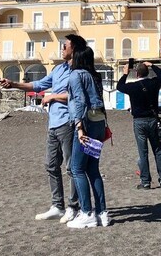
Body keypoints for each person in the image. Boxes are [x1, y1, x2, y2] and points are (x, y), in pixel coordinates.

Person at [0, 34, 85, 223]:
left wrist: (53, 97)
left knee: (72, 168)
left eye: (65, 46)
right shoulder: (58, 69)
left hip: (69, 123)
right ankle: (57, 206)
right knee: (51, 165)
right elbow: (37, 85)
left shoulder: (80, 72)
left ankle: (73, 206)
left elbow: (78, 96)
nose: (62, 49)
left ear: (74, 49)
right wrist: (13, 84)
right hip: (53, 124)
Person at [67, 47, 108, 228]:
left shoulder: (77, 75)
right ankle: (102, 213)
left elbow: (80, 101)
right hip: (99, 121)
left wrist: (79, 128)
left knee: (77, 168)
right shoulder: (95, 76)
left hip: (87, 122)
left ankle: (86, 212)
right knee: (93, 169)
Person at [116, 60, 161, 189]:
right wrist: (152, 65)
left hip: (139, 121)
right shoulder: (153, 83)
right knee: (158, 150)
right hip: (153, 120)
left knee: (143, 152)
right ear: (147, 72)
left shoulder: (132, 87)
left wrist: (125, 73)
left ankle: (145, 181)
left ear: (137, 74)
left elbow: (119, 86)